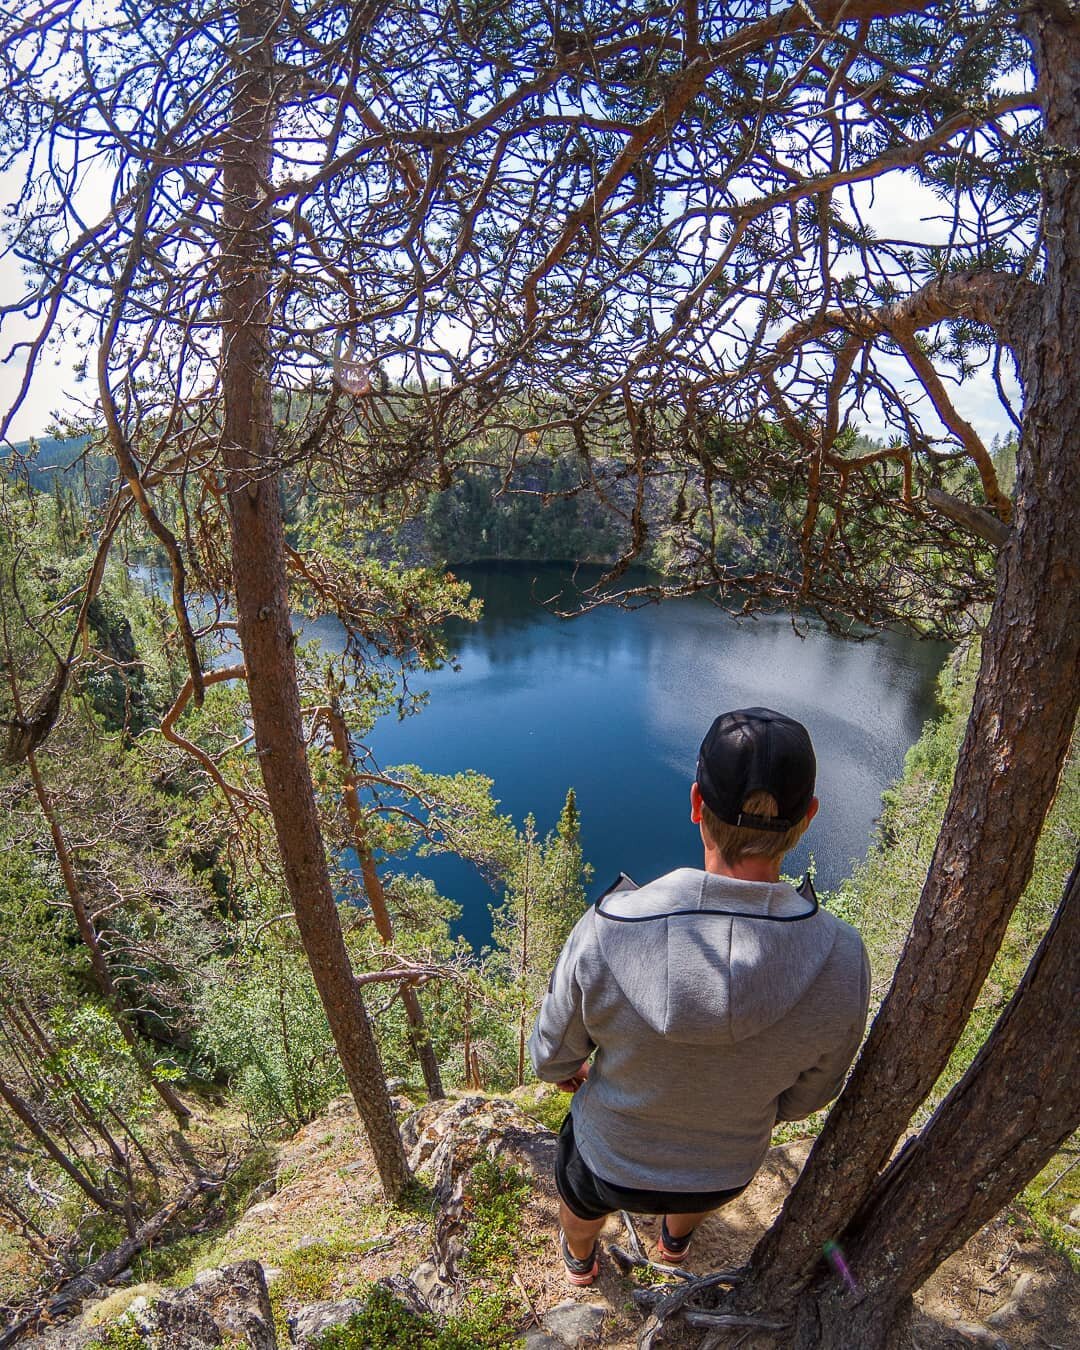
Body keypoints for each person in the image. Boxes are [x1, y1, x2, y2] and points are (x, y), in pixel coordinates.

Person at [529, 707, 870, 1286]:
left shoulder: (608, 930)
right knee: (696, 1185)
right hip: (726, 1169)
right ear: (806, 819)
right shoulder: (842, 957)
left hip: (610, 1155)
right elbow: (811, 1093)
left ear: (695, 804)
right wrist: (738, 1100)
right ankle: (674, 1243)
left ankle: (581, 1261)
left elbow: (550, 1058)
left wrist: (570, 1070)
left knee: (580, 1200)